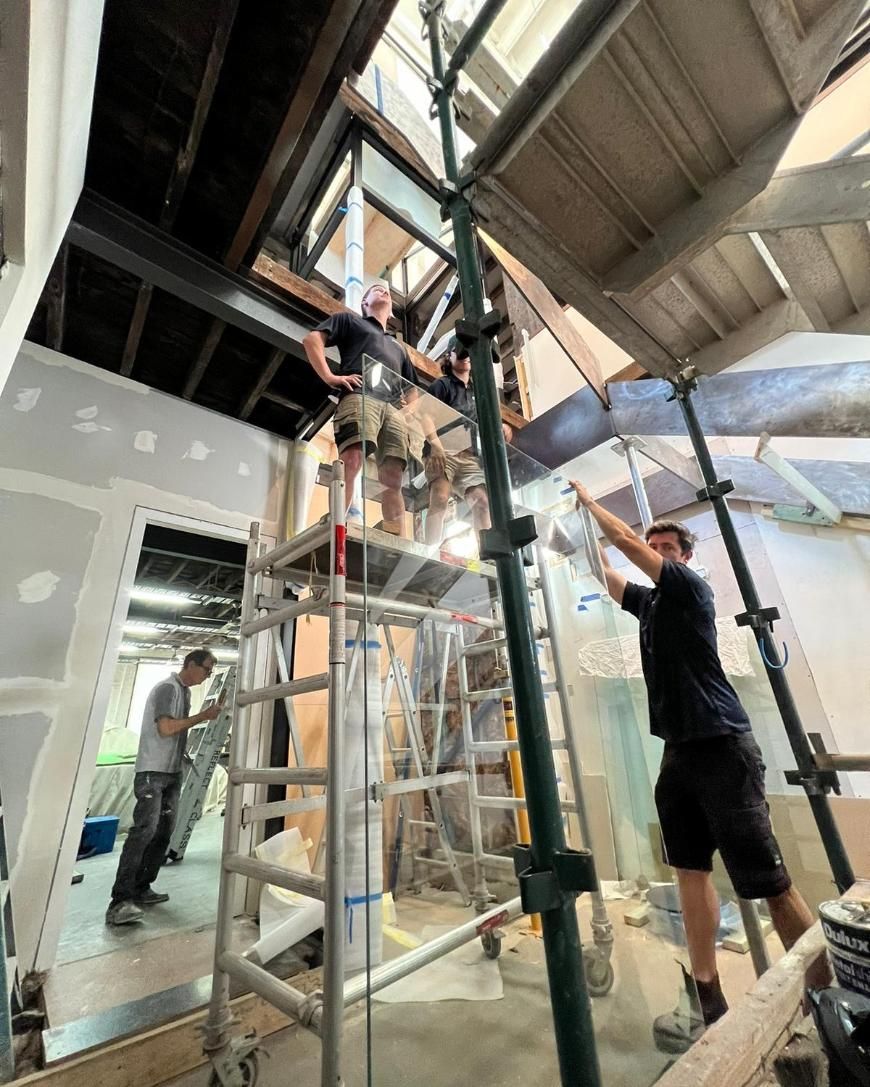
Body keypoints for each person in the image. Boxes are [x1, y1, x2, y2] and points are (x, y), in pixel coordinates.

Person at [570, 481, 816, 1049]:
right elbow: (607, 577)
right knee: (688, 868)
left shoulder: (690, 588)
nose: (659, 553)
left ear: (682, 557)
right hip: (679, 751)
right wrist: (576, 535)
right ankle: (709, 997)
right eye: (658, 548)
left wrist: (589, 504)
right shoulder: (652, 604)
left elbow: (628, 542)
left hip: (723, 746)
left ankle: (826, 997)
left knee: (770, 881)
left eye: (668, 548)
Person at [105, 649, 224, 926]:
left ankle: (142, 887)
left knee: (163, 832)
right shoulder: (167, 689)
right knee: (143, 832)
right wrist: (203, 716)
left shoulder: (184, 693)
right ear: (191, 664)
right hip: (152, 773)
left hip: (170, 773)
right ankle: (119, 901)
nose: (208, 674)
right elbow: (166, 729)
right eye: (207, 669)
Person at [302, 284, 420, 535]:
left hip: (392, 409)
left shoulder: (399, 348)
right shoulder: (350, 321)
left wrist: (407, 412)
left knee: (393, 478)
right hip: (359, 395)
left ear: (392, 313)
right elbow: (312, 339)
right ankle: (335, 527)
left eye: (387, 291)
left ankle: (395, 537)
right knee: (351, 461)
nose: (384, 291)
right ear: (365, 303)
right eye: (376, 290)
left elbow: (413, 391)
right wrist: (330, 377)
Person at [422, 336, 512, 546]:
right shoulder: (442, 385)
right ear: (449, 356)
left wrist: (501, 428)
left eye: (467, 355)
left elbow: (486, 422)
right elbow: (426, 415)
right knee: (440, 497)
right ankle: (431, 551)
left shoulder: (477, 392)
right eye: (459, 353)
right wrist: (435, 445)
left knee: (482, 502)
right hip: (443, 451)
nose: (464, 358)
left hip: (469, 456)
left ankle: (486, 553)